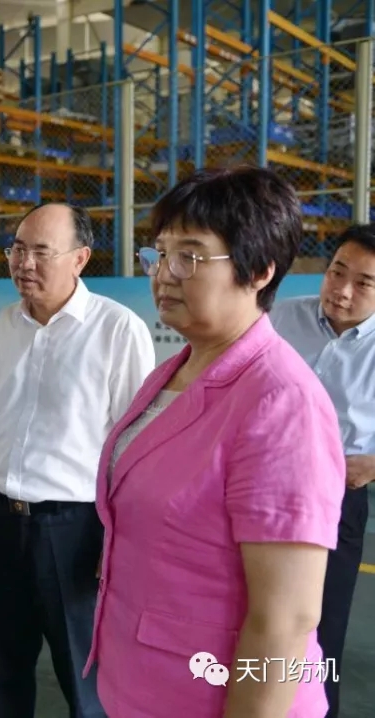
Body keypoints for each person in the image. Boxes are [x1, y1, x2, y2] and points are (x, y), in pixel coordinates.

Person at [85, 166, 346, 717]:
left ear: (259, 271)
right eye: (159, 253)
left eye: (190, 256)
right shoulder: (175, 372)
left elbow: (287, 619)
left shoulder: (281, 401)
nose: (164, 273)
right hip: (145, 688)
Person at [0, 202, 155, 717]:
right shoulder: (5, 325)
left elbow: (135, 445)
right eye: (17, 250)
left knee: (84, 673)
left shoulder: (117, 330)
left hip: (75, 528)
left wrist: (118, 536)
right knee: (2, 666)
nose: (24, 263)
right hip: (3, 521)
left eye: (41, 252)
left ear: (80, 258)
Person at [270, 223, 375, 717]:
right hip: (262, 488)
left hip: (335, 501)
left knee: (319, 629)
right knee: (253, 616)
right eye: (337, 271)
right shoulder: (278, 319)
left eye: (364, 282)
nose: (343, 290)